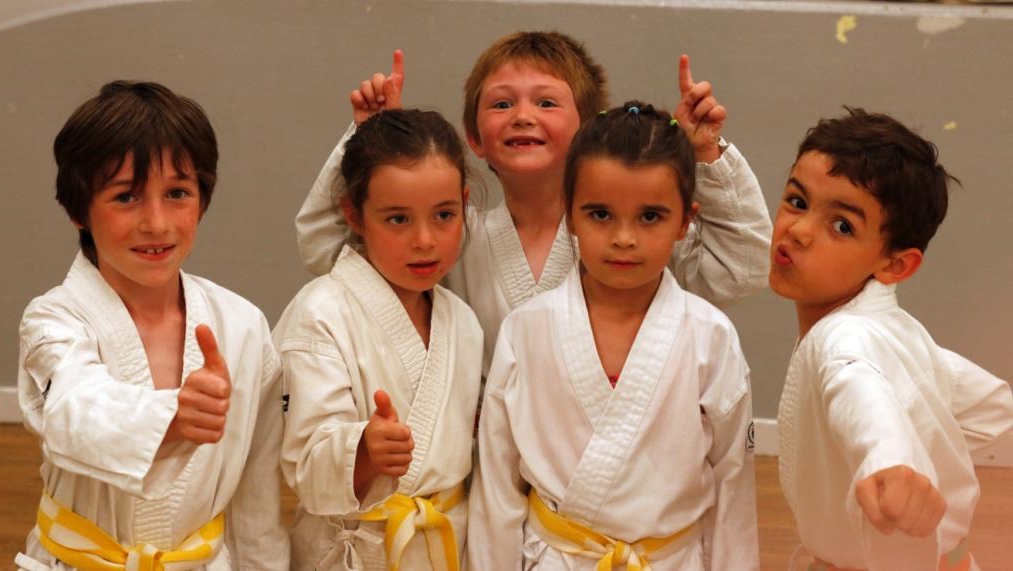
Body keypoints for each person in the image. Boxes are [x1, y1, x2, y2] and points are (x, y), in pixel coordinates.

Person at [294, 32, 772, 367]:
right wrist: (374, 140)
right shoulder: (448, 235)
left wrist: (706, 153)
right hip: (482, 466)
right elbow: (323, 247)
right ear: (474, 138)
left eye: (546, 102)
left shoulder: (628, 234)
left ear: (588, 131)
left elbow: (743, 264)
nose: (523, 116)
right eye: (502, 104)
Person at [468, 102, 758, 570]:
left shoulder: (710, 336)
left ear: (686, 220)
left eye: (650, 217)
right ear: (570, 218)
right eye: (601, 214)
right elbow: (497, 486)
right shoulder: (526, 329)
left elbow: (733, 483)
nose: (624, 238)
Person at [15, 81, 288, 570]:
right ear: (79, 210)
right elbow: (73, 412)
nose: (158, 223)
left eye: (178, 193)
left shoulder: (243, 326)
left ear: (203, 200)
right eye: (126, 198)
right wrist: (172, 420)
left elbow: (255, 504)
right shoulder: (54, 319)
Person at [771, 108, 1013, 570]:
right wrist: (922, 444)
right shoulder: (896, 330)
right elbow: (992, 406)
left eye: (842, 226)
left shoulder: (841, 338)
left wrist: (891, 460)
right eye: (797, 201)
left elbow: (860, 390)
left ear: (895, 265)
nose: (798, 231)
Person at [275, 109, 484, 571]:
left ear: (465, 204)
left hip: (447, 544)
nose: (425, 240)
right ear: (354, 214)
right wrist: (364, 451)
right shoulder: (320, 314)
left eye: (445, 215)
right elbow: (306, 467)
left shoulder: (463, 322)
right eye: (397, 220)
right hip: (354, 552)